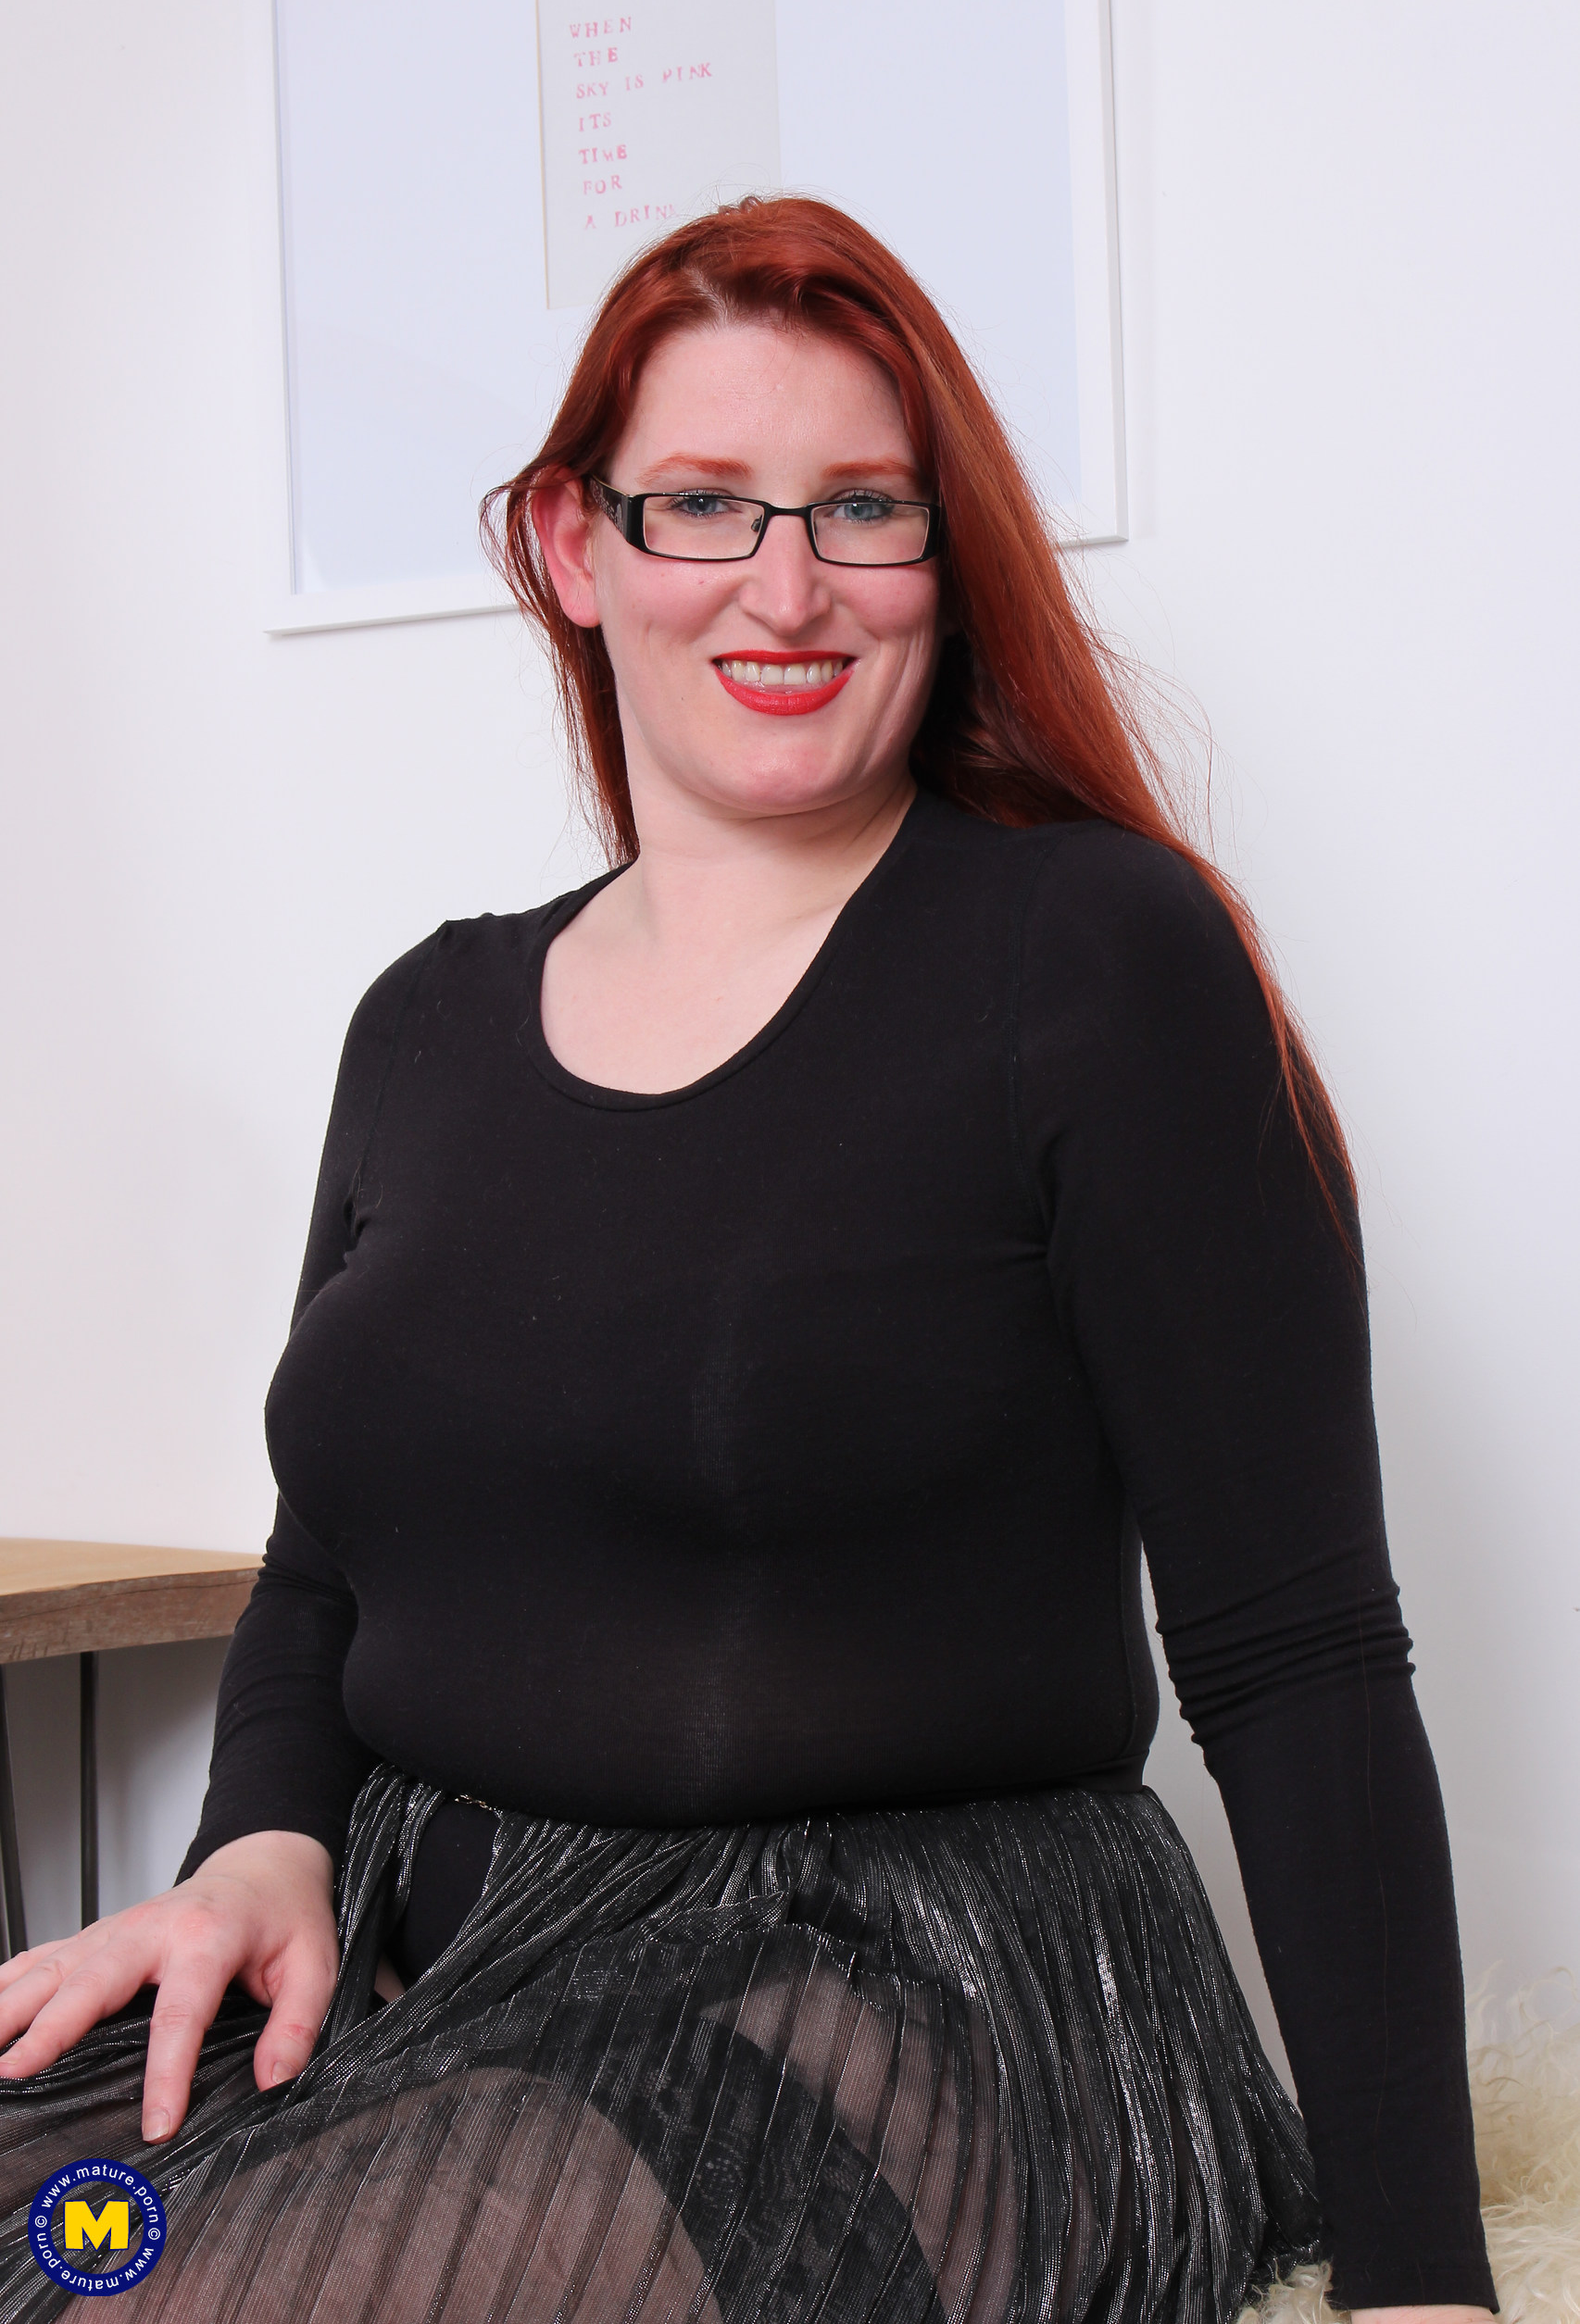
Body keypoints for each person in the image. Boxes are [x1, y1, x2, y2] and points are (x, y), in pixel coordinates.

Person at [0, 196, 1497, 2323]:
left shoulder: (1093, 958)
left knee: (158, 2301)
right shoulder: (424, 1021)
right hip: (451, 1957)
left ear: (941, 558)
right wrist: (261, 1839)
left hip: (920, 1993)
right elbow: (328, 1562)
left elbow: (1303, 1652)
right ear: (571, 543)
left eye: (860, 507)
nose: (784, 585)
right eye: (702, 501)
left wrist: (1423, 2281)